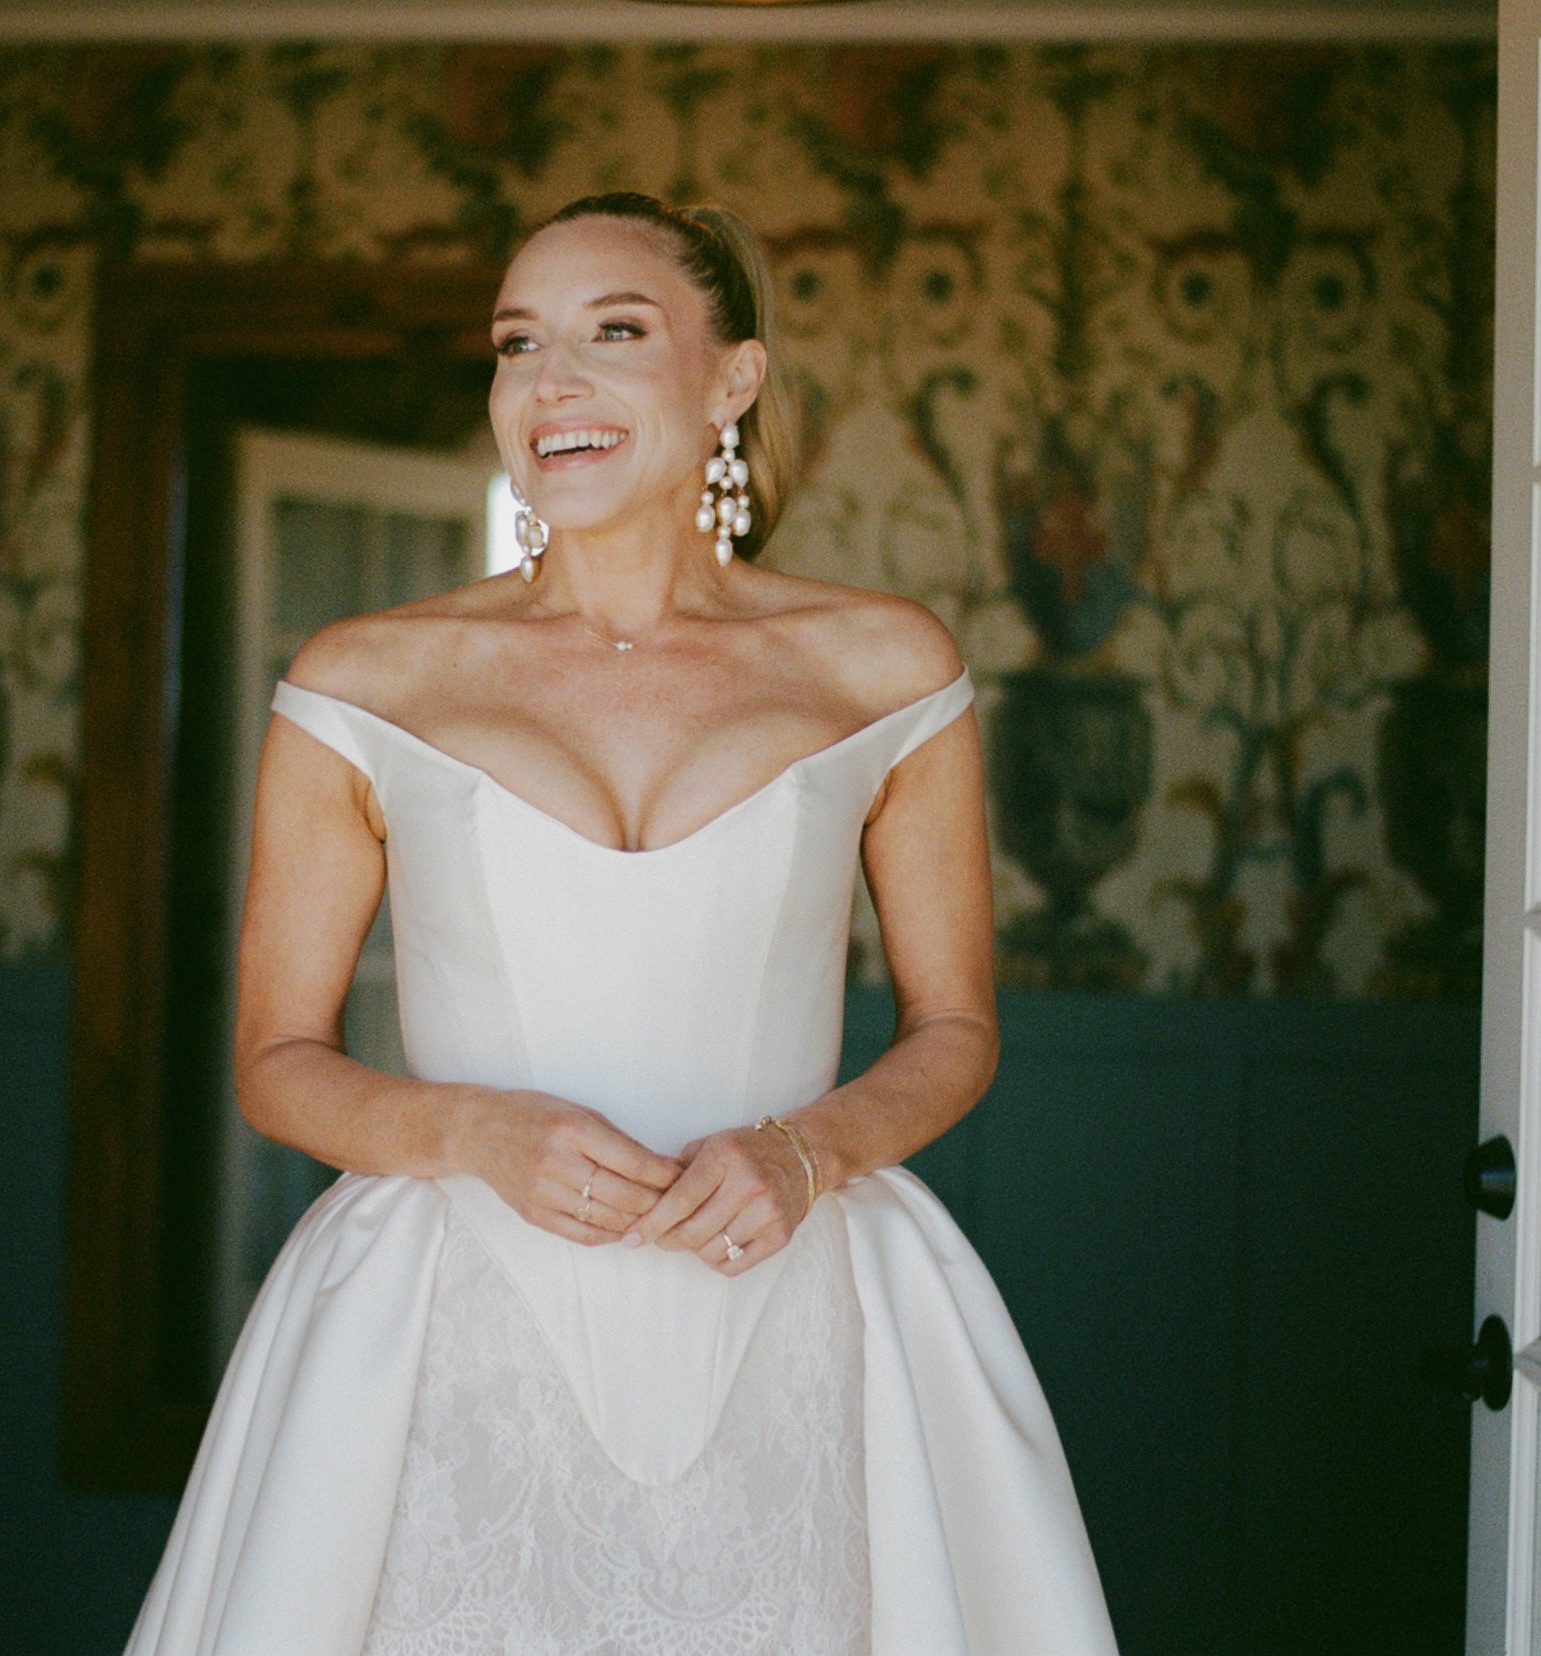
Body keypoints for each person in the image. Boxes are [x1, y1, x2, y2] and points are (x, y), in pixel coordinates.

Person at [122, 192, 1118, 1656]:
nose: (550, 384)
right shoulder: (366, 681)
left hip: (798, 1316)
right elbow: (277, 1058)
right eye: (518, 344)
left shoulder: (882, 667)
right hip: (448, 1336)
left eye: (615, 333)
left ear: (734, 379)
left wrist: (804, 1151)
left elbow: (956, 1029)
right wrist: (473, 1134)